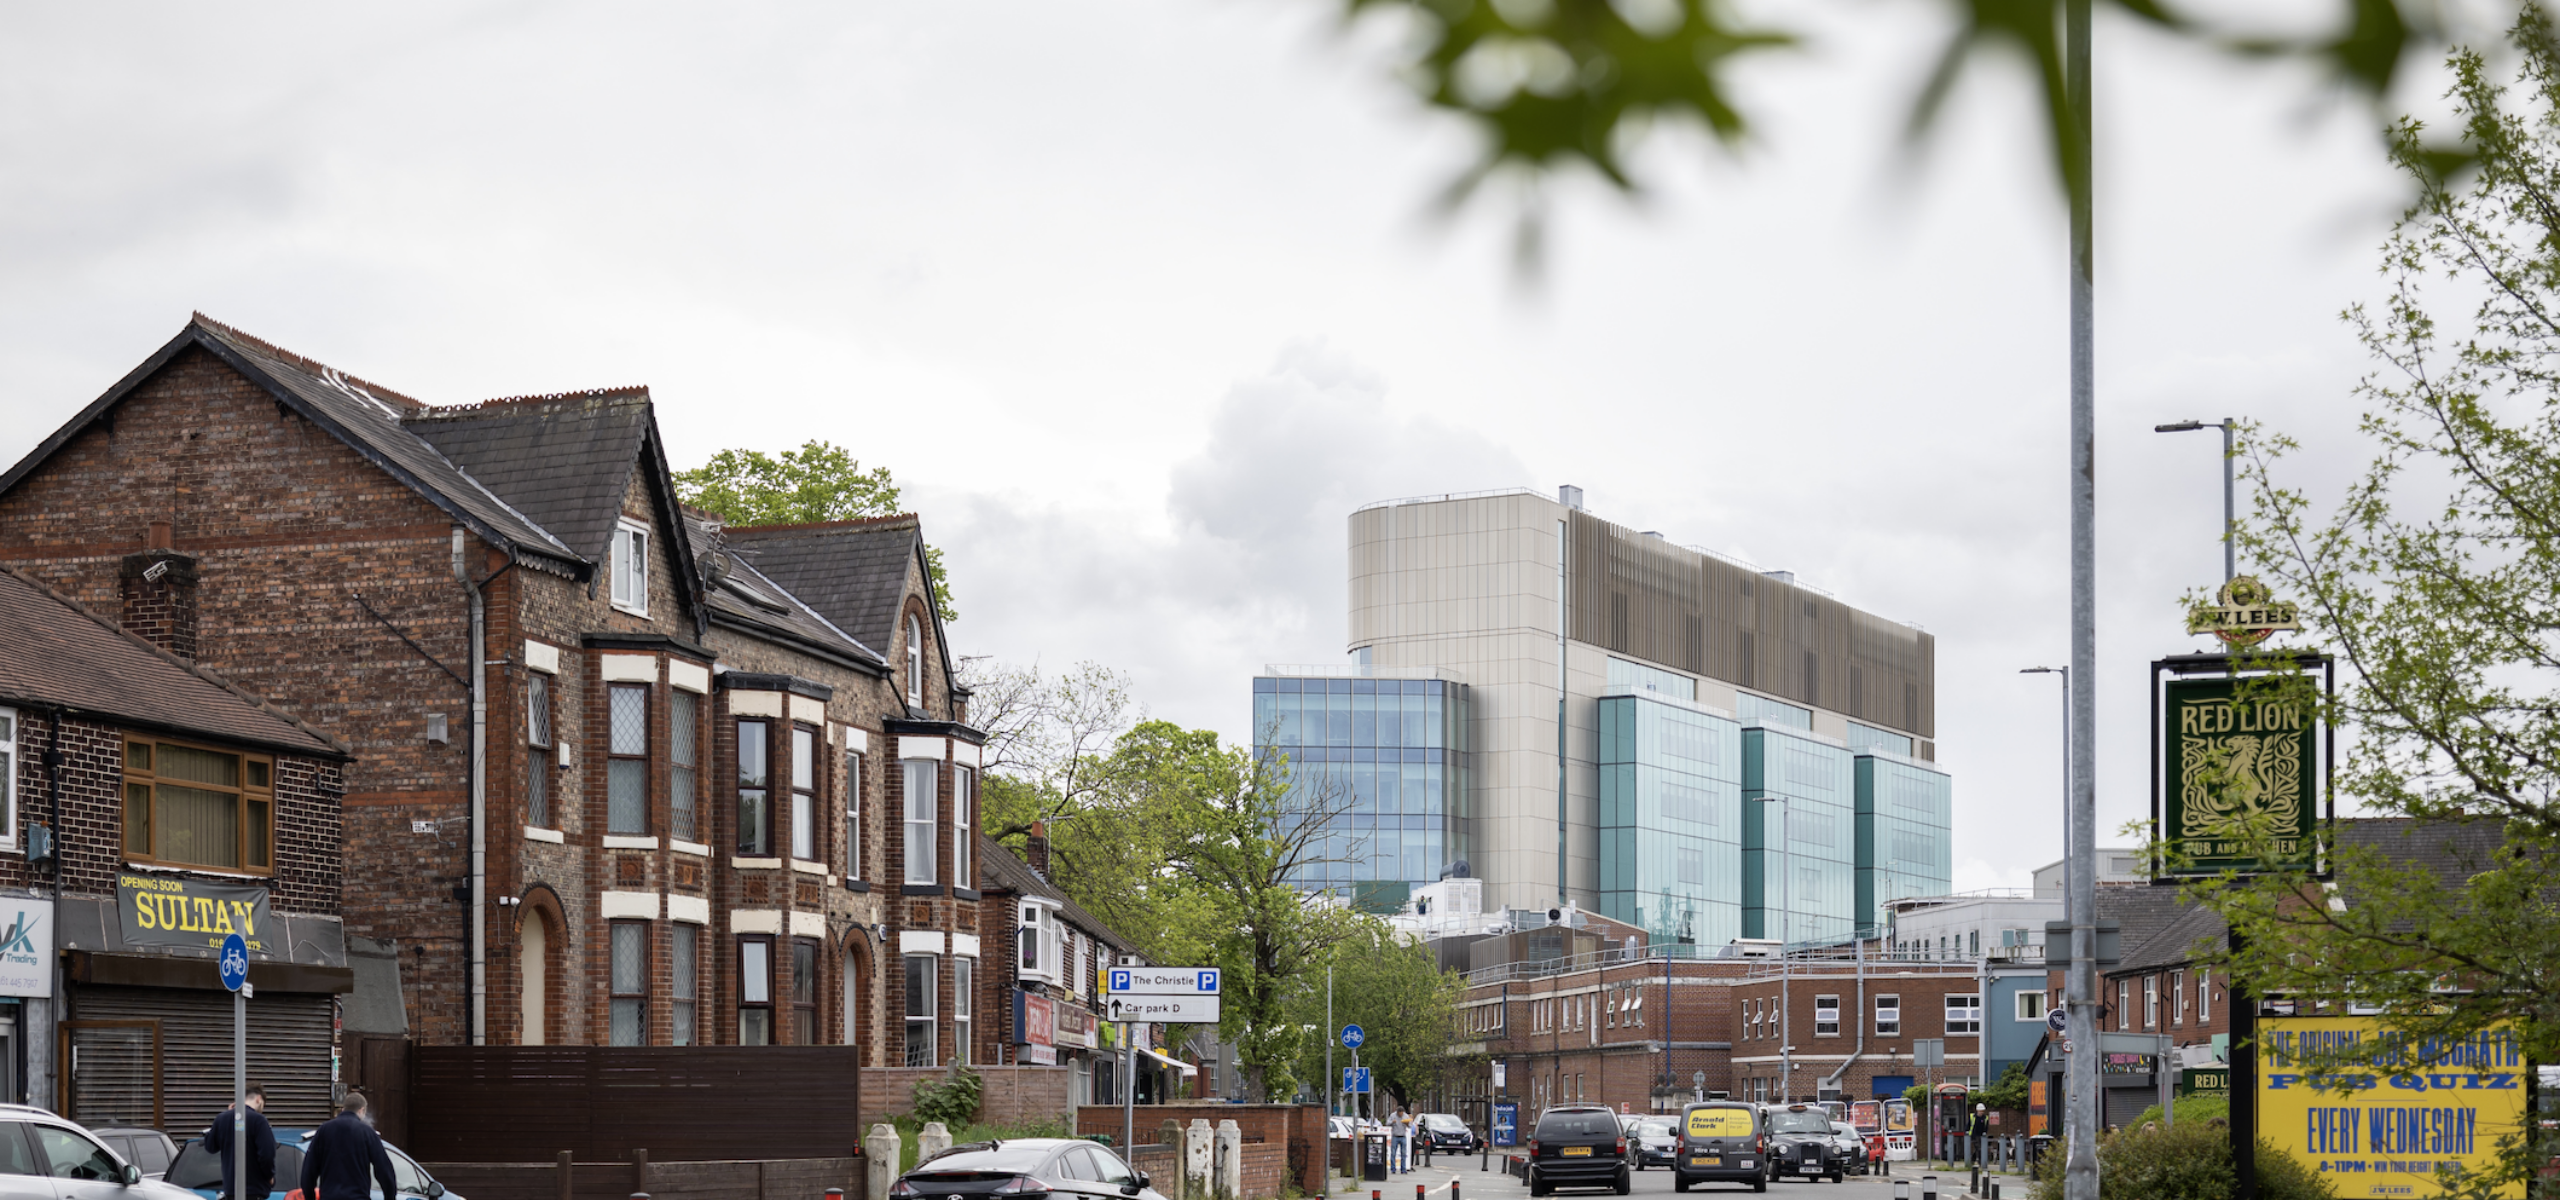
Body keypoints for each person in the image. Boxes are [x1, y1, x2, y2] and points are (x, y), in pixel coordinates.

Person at [300, 1091, 397, 1200]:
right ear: (362, 1110)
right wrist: (390, 1197)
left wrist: (310, 1197)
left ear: (343, 1109)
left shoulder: (323, 1131)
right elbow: (384, 1171)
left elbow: (308, 1171)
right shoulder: (367, 1133)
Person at [202, 1085, 277, 1200]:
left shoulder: (221, 1119)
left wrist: (229, 1116)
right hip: (254, 1191)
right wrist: (269, 1176)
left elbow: (210, 1147)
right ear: (258, 1099)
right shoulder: (259, 1120)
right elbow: (267, 1154)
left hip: (231, 1191)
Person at [1968, 1103, 1989, 1168]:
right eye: (1980, 1111)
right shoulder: (1973, 1116)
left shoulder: (1985, 1118)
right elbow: (1968, 1125)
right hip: (1974, 1135)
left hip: (1982, 1136)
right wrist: (1966, 1132)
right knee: (1979, 1148)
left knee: (1978, 1149)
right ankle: (1980, 1162)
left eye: (1982, 1111)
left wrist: (1985, 1133)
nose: (1981, 1112)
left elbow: (1986, 1127)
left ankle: (1972, 1159)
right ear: (1977, 1110)